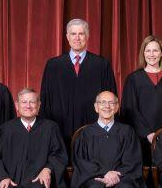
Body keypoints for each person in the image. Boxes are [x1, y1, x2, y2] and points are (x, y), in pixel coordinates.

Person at [40, 18, 117, 147]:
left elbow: (112, 100)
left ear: (87, 36)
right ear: (67, 37)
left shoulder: (102, 65)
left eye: (81, 34)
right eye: (73, 34)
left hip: (94, 132)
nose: (77, 38)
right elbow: (45, 101)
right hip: (60, 130)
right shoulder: (53, 66)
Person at [121, 35, 162, 165]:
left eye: (155, 50)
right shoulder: (133, 79)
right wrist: (147, 133)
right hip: (139, 139)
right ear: (143, 53)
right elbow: (130, 109)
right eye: (148, 50)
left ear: (161, 53)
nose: (151, 54)